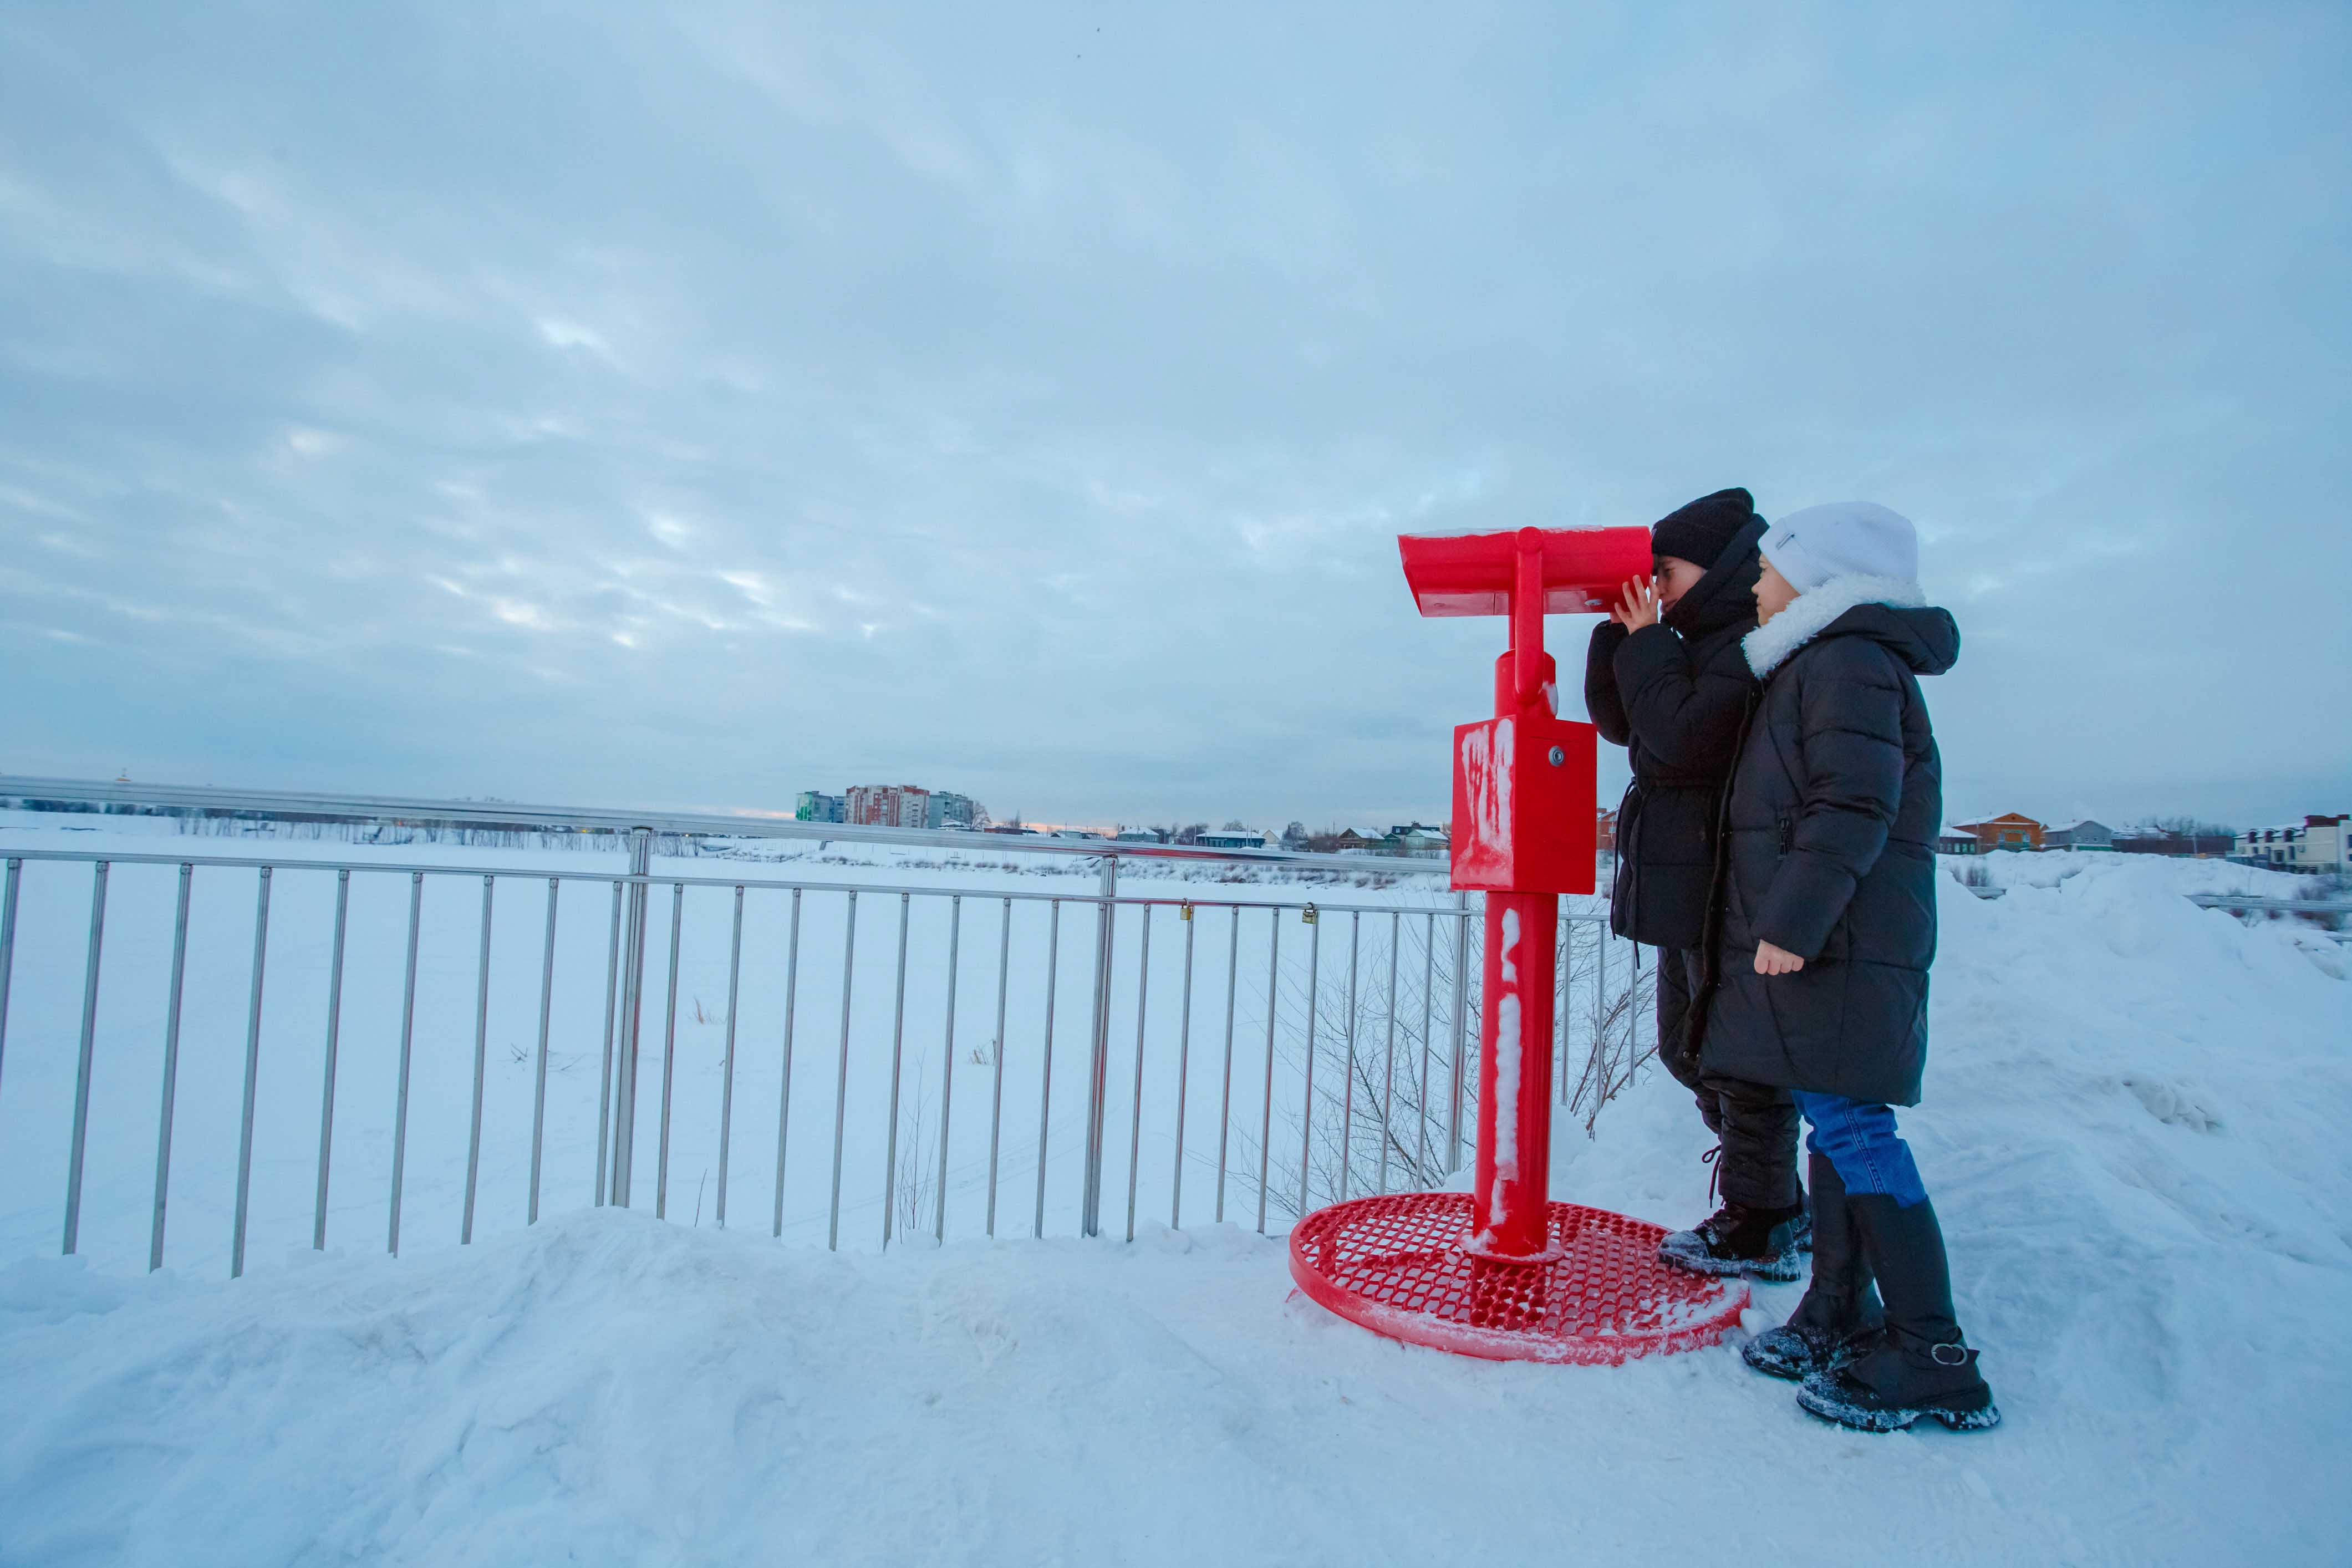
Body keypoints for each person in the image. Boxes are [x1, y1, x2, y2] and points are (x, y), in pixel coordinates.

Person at [1693, 500, 1998, 1433]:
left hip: (1839, 937)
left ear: (1820, 576)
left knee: (1855, 1129)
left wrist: (1790, 921)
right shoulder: (1823, 660)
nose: (1754, 579)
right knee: (1834, 1115)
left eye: (1770, 564)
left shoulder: (1847, 661)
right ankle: (1838, 1309)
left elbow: (1853, 801)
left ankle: (1931, 1350)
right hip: (1837, 936)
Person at [1584, 488, 1809, 1282]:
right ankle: (1771, 1200)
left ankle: (1765, 1217)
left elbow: (1680, 737)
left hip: (1727, 877)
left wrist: (1648, 641)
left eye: (1665, 570)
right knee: (1687, 1051)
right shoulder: (1692, 638)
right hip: (1686, 872)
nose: (1656, 585)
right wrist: (1619, 633)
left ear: (1713, 568)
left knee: (1732, 1053)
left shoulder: (1751, 638)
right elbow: (1624, 722)